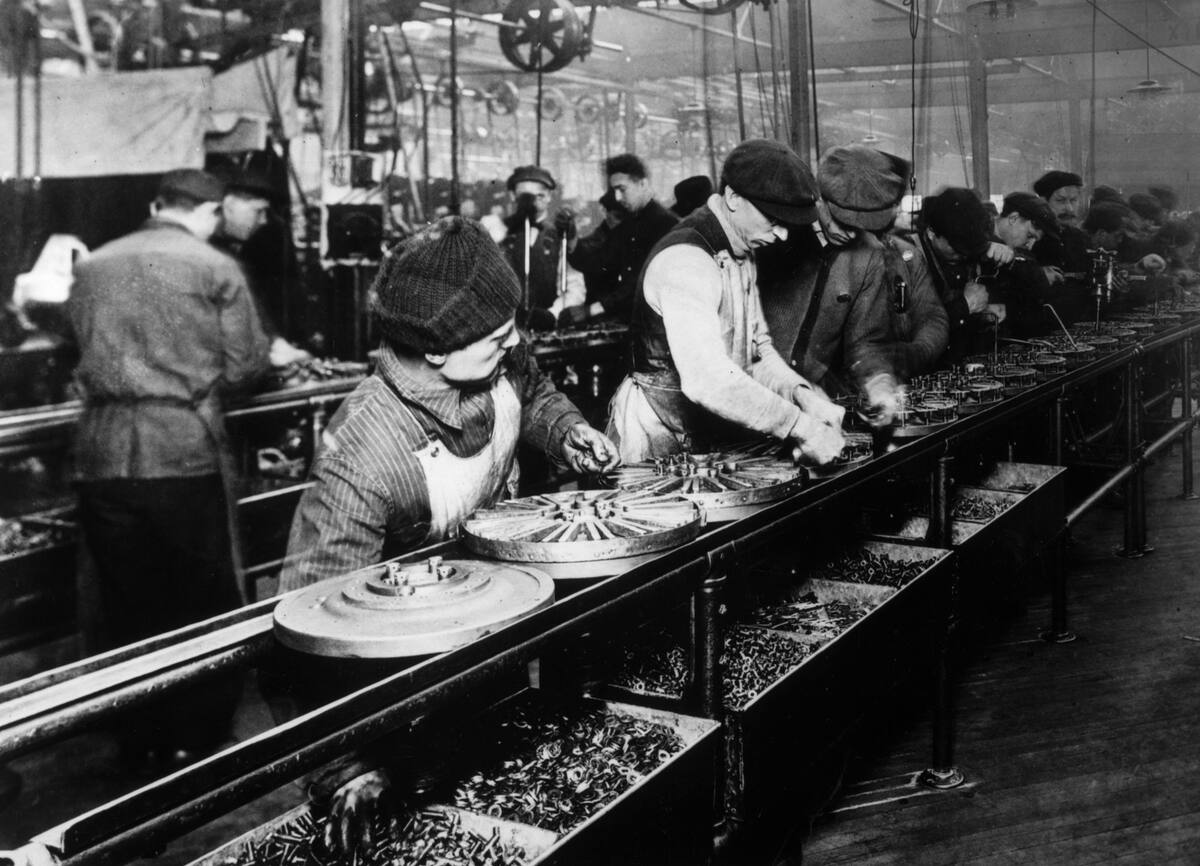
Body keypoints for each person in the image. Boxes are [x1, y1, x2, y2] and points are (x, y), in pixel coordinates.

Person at [279, 216, 619, 591]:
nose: (513, 342)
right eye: (498, 337)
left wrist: (564, 429)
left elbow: (530, 388)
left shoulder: (494, 359)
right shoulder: (360, 460)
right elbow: (319, 609)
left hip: (505, 593)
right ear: (437, 351)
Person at [68, 168, 272, 771]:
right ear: (208, 213)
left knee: (126, 601)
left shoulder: (91, 264)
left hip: (101, 451)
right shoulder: (213, 266)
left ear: (158, 206)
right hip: (180, 450)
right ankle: (193, 734)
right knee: (197, 598)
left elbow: (75, 348)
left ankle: (138, 734)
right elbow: (246, 366)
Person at [606, 138, 845, 465]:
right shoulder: (687, 260)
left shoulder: (743, 248)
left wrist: (801, 394)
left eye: (788, 223)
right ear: (733, 198)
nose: (783, 234)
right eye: (773, 219)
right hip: (658, 438)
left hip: (706, 434)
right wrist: (800, 426)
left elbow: (757, 352)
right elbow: (708, 380)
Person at [758, 144, 903, 421]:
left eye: (861, 226)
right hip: (758, 394)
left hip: (816, 404)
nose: (850, 235)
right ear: (819, 199)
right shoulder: (770, 238)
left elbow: (866, 342)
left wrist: (880, 383)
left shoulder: (869, 255)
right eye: (842, 221)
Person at [561, 153, 679, 326]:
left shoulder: (665, 225)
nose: (617, 198)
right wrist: (571, 237)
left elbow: (640, 283)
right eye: (614, 191)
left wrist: (591, 310)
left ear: (643, 184)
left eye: (622, 189)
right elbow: (599, 262)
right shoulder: (628, 224)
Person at [212, 170, 312, 367]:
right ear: (229, 206)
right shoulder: (208, 255)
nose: (264, 220)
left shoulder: (237, 250)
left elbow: (252, 306)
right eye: (258, 211)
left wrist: (277, 342)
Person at [905, 187, 1015, 365]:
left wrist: (1004, 254)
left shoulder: (969, 246)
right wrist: (964, 306)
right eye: (957, 248)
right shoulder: (906, 257)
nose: (964, 255)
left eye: (970, 248)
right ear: (932, 232)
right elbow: (908, 331)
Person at [495, 165, 584, 330]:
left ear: (549, 196)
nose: (533, 202)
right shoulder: (498, 234)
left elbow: (574, 287)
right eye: (525, 197)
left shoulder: (560, 235)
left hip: (548, 327)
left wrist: (554, 314)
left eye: (540, 196)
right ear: (513, 195)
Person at [980, 192, 1061, 339]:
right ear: (1013, 218)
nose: (1030, 246)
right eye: (1030, 236)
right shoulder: (977, 239)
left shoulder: (1015, 247)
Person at [1031, 170, 1093, 324]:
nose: (1070, 209)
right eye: (1061, 201)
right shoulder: (1030, 237)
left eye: (1074, 200)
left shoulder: (1081, 238)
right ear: (1043, 202)